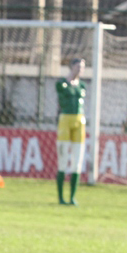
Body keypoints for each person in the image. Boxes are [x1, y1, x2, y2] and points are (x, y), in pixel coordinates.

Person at [55, 58, 87, 205]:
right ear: (71, 67)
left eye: (83, 67)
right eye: (78, 66)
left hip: (79, 121)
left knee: (77, 161)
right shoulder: (61, 83)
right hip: (65, 120)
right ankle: (61, 197)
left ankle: (72, 197)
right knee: (63, 159)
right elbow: (61, 92)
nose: (80, 69)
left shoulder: (82, 86)